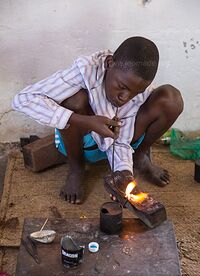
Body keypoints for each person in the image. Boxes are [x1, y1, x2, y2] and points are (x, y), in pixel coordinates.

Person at [12, 36, 184, 204]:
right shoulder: (85, 70)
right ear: (109, 63)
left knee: (171, 99)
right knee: (75, 100)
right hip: (82, 142)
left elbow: (120, 137)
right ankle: (76, 168)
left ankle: (138, 157)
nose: (125, 98)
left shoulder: (135, 90)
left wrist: (123, 171)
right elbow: (22, 100)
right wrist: (85, 121)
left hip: (121, 141)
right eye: (122, 88)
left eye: (135, 93)